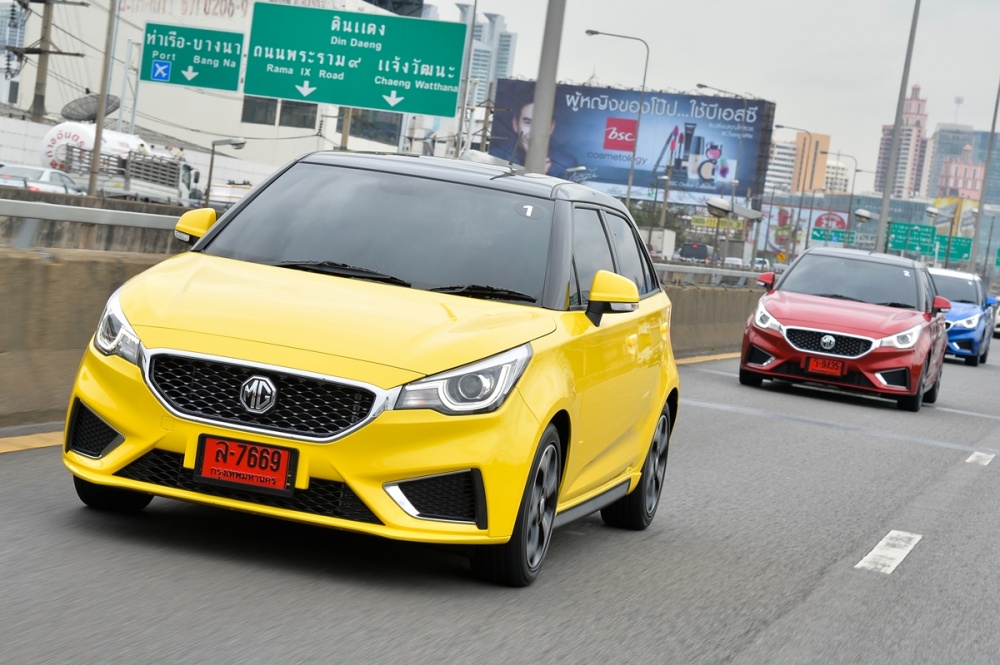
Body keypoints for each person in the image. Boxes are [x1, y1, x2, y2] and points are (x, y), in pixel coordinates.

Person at [501, 98, 578, 179]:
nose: (533, 134)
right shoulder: (498, 157)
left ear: (551, 127)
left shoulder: (565, 164)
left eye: (542, 124)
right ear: (515, 124)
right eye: (528, 123)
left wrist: (544, 176)